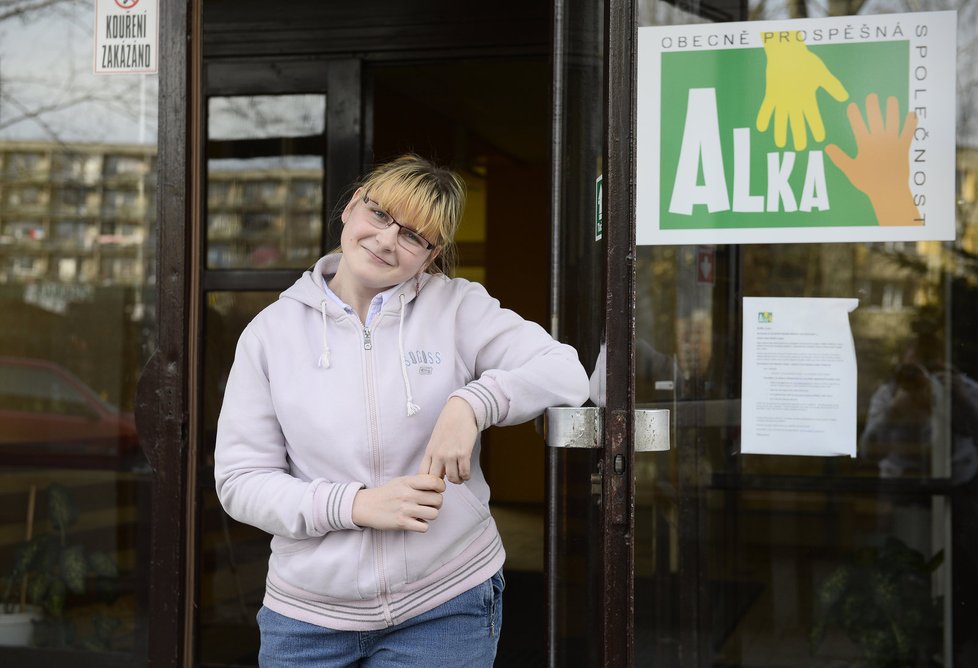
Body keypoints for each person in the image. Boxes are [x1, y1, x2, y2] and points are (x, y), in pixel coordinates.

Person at [214, 154, 590, 667]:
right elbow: (240, 481)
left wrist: (472, 402)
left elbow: (565, 370)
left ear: (431, 256)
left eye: (415, 236)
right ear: (350, 209)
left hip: (444, 603)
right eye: (380, 214)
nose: (389, 240)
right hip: (308, 618)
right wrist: (355, 505)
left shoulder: (457, 308)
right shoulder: (270, 333)